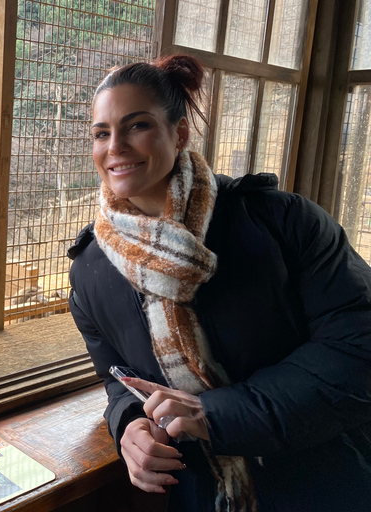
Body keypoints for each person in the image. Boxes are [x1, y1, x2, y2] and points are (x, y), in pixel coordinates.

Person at [67, 54, 371, 512]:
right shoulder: (90, 271)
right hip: (202, 494)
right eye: (101, 133)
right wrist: (129, 425)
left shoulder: (282, 222)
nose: (116, 147)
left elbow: (358, 347)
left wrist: (216, 414)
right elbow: (118, 381)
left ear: (180, 133)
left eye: (137, 126)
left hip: (326, 480)